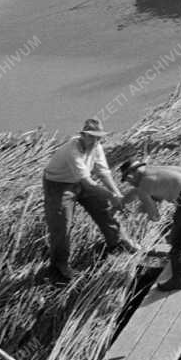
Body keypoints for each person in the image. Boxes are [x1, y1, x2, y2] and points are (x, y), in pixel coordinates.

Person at [42, 117, 136, 283]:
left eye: (99, 137)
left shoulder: (97, 147)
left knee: (104, 208)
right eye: (92, 136)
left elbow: (103, 172)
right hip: (59, 186)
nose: (96, 141)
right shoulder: (73, 150)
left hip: (81, 181)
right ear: (83, 135)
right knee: (62, 225)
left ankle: (117, 243)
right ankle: (59, 265)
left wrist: (116, 194)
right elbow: (88, 183)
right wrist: (111, 196)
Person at [119, 159, 181, 292]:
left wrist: (140, 212)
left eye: (128, 181)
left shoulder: (143, 186)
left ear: (130, 176)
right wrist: (122, 202)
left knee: (177, 237)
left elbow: (155, 216)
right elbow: (138, 192)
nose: (131, 184)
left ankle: (179, 280)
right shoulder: (154, 171)